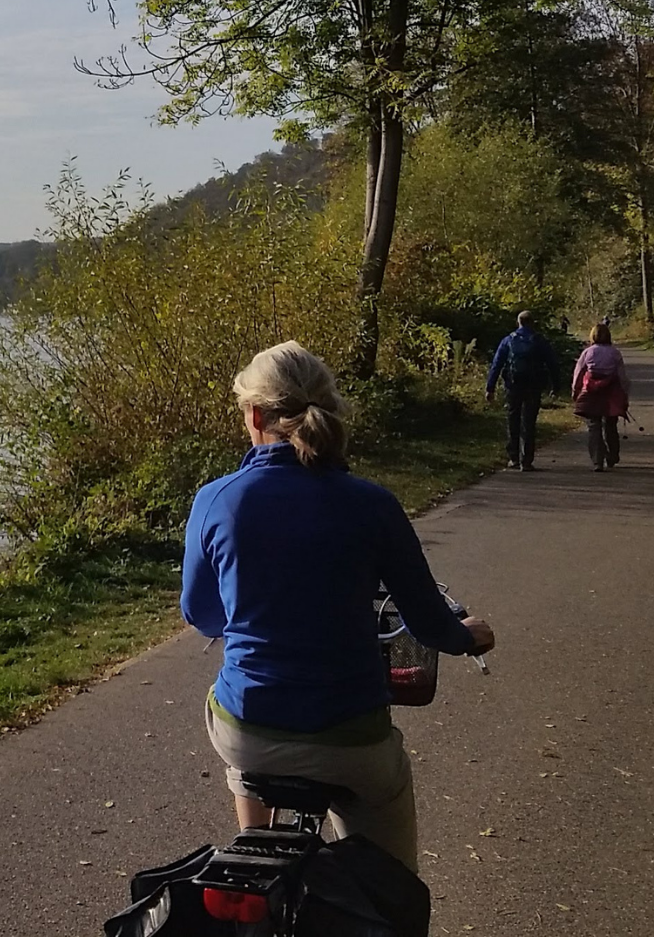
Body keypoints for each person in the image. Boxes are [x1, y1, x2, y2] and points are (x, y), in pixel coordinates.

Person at [183, 341, 495, 871]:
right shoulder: (372, 504)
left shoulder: (217, 499)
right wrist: (467, 636)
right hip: (351, 738)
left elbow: (202, 613)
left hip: (251, 732)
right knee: (389, 882)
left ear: (255, 414)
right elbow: (426, 620)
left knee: (235, 703)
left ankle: (254, 856)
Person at [485, 311, 558, 471]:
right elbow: (552, 364)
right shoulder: (539, 341)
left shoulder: (508, 340)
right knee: (529, 422)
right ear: (532, 322)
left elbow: (497, 364)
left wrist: (490, 387)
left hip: (513, 385)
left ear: (518, 322)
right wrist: (555, 386)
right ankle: (527, 460)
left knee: (513, 419)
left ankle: (513, 458)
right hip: (534, 385)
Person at [571, 321, 630, 472]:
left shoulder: (588, 352)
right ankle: (612, 455)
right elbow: (622, 377)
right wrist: (624, 395)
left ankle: (597, 460)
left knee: (593, 426)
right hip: (611, 393)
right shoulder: (615, 353)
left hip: (591, 392)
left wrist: (575, 390)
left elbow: (578, 373)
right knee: (610, 424)